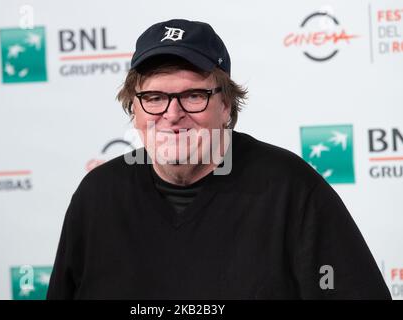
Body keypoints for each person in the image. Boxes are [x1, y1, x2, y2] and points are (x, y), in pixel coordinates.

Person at [47, 19, 391, 299]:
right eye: (153, 97)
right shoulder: (98, 196)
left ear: (225, 105)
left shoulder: (290, 188)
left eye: (193, 95)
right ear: (134, 108)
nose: (172, 114)